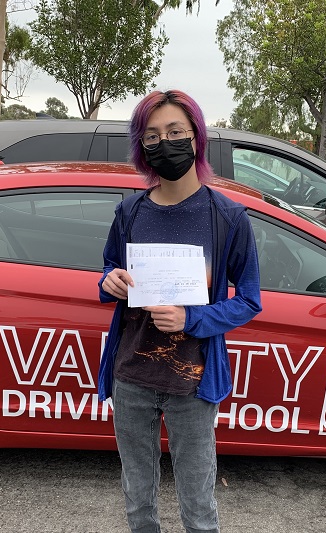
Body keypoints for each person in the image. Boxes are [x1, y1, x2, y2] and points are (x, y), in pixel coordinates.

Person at [97, 89, 262, 533]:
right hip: (131, 374)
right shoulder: (129, 210)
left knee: (197, 496)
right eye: (151, 136)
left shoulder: (227, 216)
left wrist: (192, 319)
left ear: (196, 139)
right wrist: (109, 282)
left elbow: (249, 299)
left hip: (192, 382)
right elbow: (111, 269)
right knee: (137, 493)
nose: (163, 143)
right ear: (141, 146)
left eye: (175, 132)